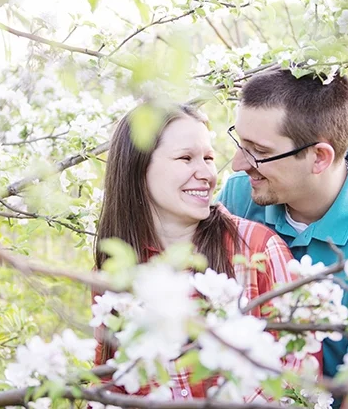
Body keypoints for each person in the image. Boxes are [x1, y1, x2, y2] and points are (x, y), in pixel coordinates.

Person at [93, 104, 320, 400]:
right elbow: (110, 384)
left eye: (209, 158)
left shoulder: (257, 249)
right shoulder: (115, 271)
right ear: (137, 167)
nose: (206, 174)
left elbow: (299, 376)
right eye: (185, 158)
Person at [217, 68, 348, 382]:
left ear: (319, 157)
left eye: (259, 152)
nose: (238, 164)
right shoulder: (239, 196)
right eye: (240, 142)